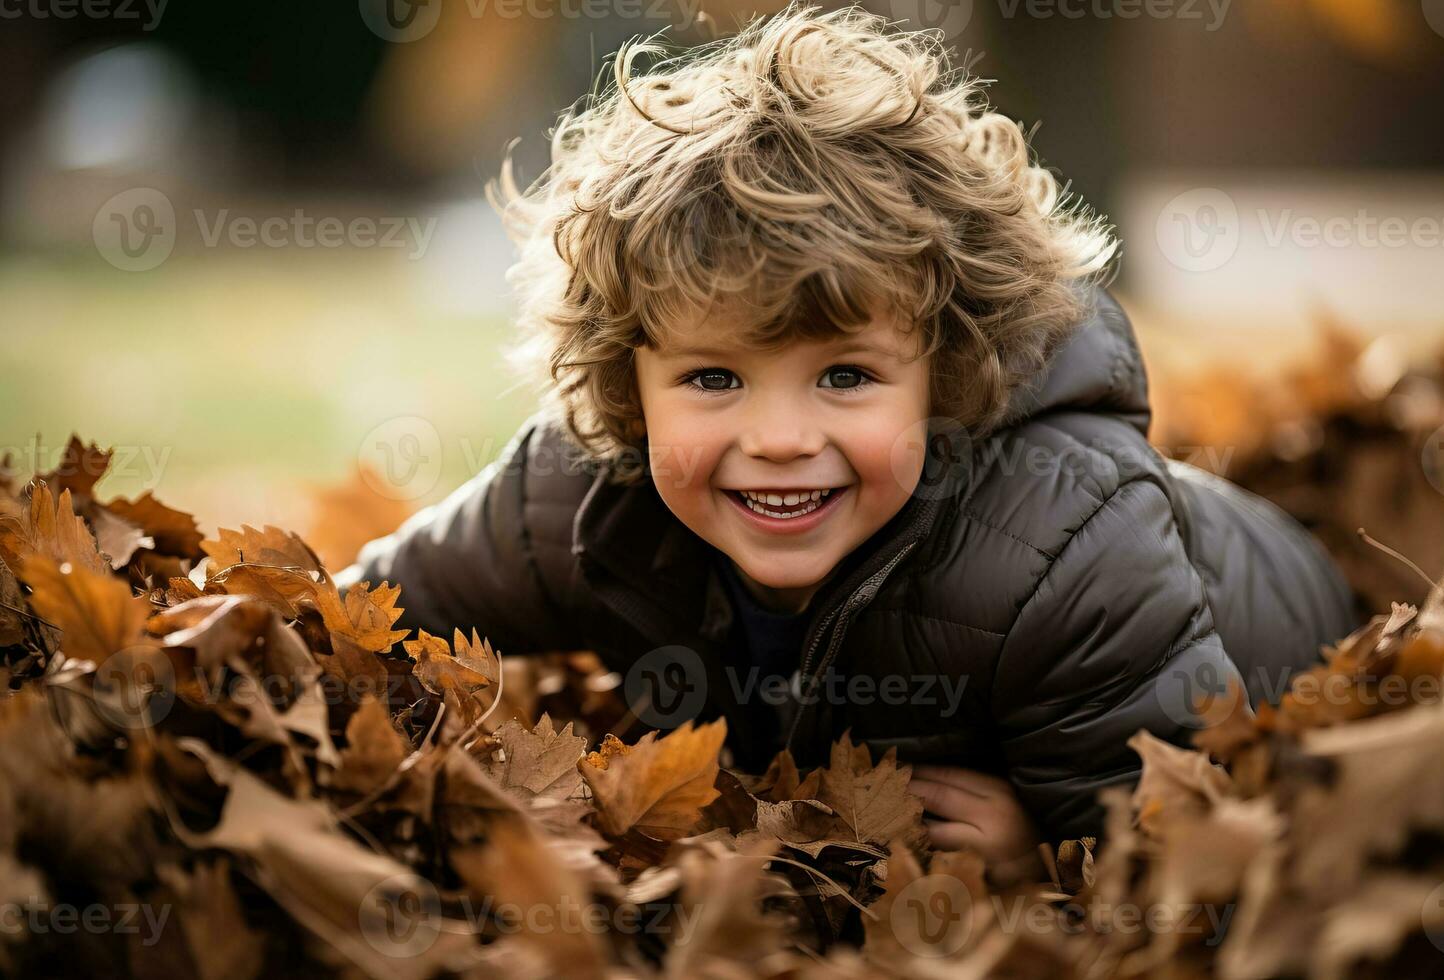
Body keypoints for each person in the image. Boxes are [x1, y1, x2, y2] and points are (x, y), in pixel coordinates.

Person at [334, 3, 1357, 872]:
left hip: (1286, 619)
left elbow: (1192, 838)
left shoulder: (1068, 554)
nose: (779, 437)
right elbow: (361, 618)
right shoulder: (570, 494)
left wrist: (1045, 843)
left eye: (846, 376)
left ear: (945, 375)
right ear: (627, 381)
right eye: (713, 378)